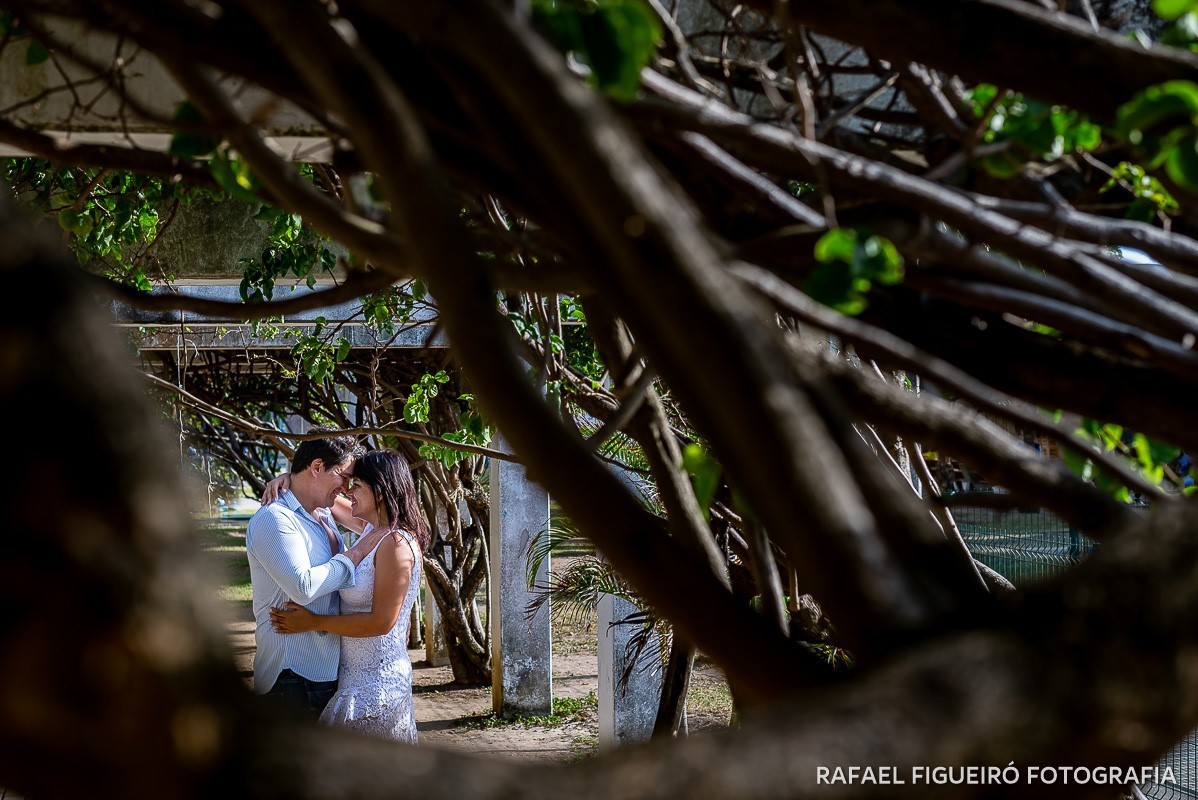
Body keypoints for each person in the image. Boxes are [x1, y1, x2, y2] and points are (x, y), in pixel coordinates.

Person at [265, 450, 430, 743]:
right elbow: (320, 498)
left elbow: (382, 622)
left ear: (379, 492)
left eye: (356, 486)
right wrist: (291, 478)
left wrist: (313, 621)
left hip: (377, 682)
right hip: (352, 675)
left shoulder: (395, 543)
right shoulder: (372, 529)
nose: (347, 491)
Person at [246, 431, 382, 719]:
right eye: (344, 477)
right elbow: (303, 586)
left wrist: (289, 477)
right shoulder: (274, 518)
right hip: (292, 677)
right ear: (317, 467)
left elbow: (378, 520)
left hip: (326, 670)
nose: (346, 488)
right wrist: (355, 554)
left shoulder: (323, 513)